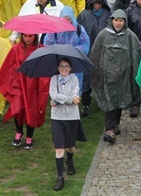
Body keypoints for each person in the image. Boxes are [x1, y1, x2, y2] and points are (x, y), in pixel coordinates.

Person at [91, 9, 141, 143]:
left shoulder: (130, 36)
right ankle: (109, 129)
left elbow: (139, 51)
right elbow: (95, 54)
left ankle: (115, 124)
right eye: (116, 20)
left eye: (121, 21)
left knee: (119, 100)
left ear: (124, 22)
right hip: (107, 76)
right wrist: (98, 70)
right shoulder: (103, 35)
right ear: (111, 21)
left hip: (124, 76)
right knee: (109, 101)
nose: (118, 23)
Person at [0, 32, 50, 150]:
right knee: (18, 107)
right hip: (18, 83)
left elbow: (45, 69)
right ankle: (19, 131)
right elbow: (9, 66)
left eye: (30, 36)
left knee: (32, 108)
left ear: (35, 36)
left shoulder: (41, 50)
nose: (27, 38)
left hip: (34, 84)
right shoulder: (16, 49)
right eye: (25, 36)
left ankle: (29, 136)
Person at [49, 58, 87, 191]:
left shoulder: (74, 79)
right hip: (57, 117)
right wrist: (67, 99)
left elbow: (76, 97)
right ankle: (60, 177)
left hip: (71, 117)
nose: (64, 69)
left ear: (70, 68)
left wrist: (58, 99)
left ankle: (70, 160)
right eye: (61, 66)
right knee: (59, 147)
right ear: (58, 68)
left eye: (66, 66)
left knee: (70, 146)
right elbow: (53, 93)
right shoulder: (54, 79)